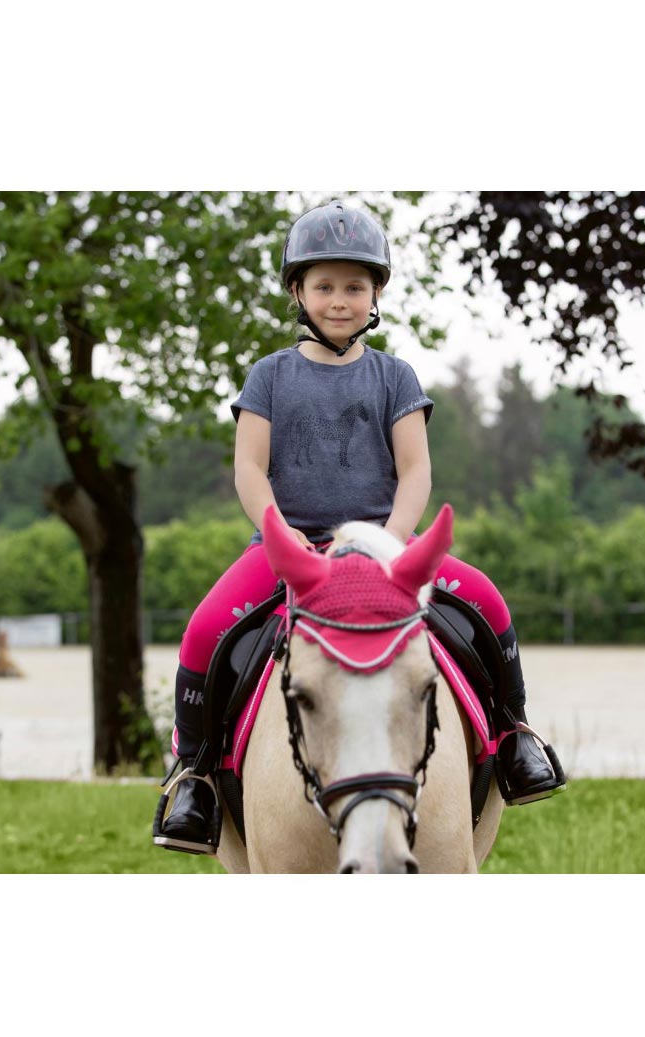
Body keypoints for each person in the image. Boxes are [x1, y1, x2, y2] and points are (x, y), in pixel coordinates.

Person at [156, 200, 564, 854]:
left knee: (487, 599)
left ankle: (515, 736)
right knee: (206, 627)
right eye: (324, 285)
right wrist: (283, 538)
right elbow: (249, 470)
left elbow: (415, 470)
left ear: (375, 293)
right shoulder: (269, 376)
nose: (339, 299)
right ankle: (196, 775)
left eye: (354, 286)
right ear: (298, 291)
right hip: (290, 551)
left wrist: (390, 545)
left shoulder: (394, 376)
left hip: (382, 546)